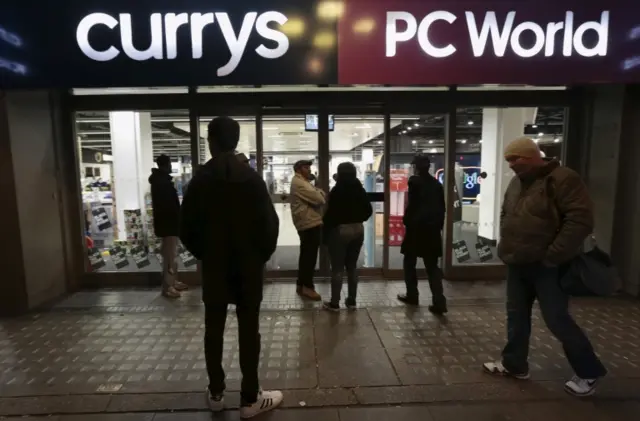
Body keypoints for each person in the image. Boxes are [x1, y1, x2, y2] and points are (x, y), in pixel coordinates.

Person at [483, 137, 606, 397]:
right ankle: (514, 364)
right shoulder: (517, 183)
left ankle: (588, 372)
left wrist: (554, 255)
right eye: (508, 161)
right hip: (518, 262)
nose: (512, 165)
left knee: (557, 320)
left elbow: (581, 219)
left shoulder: (563, 179)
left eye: (516, 159)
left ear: (532, 156)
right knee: (516, 316)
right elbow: (507, 212)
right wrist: (505, 242)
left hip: (548, 265)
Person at [180, 117, 282, 418]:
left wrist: (206, 253)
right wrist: (258, 256)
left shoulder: (200, 180)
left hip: (214, 266)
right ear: (235, 141)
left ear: (211, 141)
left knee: (213, 328)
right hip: (248, 267)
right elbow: (270, 225)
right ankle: (250, 398)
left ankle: (216, 393)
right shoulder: (252, 179)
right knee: (249, 330)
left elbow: (186, 227)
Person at [397, 154, 447, 314]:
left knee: (409, 262)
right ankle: (439, 301)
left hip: (416, 229)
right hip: (432, 230)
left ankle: (412, 295)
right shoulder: (436, 184)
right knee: (432, 266)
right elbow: (442, 208)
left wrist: (407, 220)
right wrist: (438, 226)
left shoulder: (414, 181)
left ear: (416, 167)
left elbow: (412, 205)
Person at [322, 162, 373, 311]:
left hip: (340, 231)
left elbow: (330, 215)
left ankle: (335, 303)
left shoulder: (337, 191)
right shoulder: (359, 189)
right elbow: (368, 210)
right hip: (358, 229)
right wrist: (358, 219)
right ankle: (351, 301)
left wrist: (327, 232)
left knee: (337, 268)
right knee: (352, 267)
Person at [149, 154, 188, 298]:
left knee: (171, 254)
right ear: (166, 165)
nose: (171, 166)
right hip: (168, 224)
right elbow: (169, 206)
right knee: (170, 256)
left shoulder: (160, 181)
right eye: (170, 163)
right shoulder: (162, 183)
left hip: (167, 223)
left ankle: (172, 281)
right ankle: (168, 286)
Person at [290, 159, 326, 301]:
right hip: (308, 223)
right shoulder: (299, 183)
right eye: (306, 167)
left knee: (306, 255)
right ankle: (308, 287)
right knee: (309, 258)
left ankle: (301, 284)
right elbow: (319, 199)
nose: (309, 170)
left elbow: (318, 193)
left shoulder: (302, 182)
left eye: (309, 167)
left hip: (308, 222)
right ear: (298, 169)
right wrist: (319, 193)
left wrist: (318, 192)